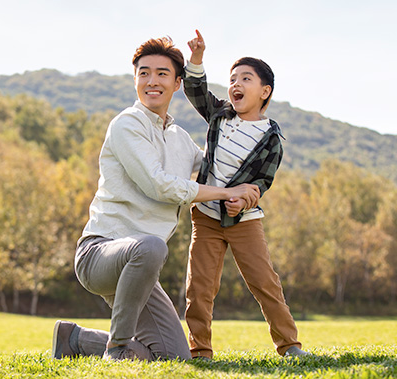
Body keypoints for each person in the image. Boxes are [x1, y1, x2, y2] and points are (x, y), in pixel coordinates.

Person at [51, 37, 260, 361]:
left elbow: (214, 164)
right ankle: (117, 349)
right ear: (135, 79)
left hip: (142, 267)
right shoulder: (126, 125)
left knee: (173, 357)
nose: (152, 81)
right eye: (144, 73)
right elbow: (160, 186)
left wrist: (255, 154)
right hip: (101, 253)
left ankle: (74, 339)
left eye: (162, 74)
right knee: (150, 246)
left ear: (177, 83)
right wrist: (225, 193)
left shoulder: (179, 137)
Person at [181, 30, 309, 359]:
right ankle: (200, 350)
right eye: (233, 78)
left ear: (265, 91)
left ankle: (290, 346)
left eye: (246, 79)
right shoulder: (220, 116)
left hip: (244, 222)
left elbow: (261, 182)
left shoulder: (271, 137)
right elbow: (195, 91)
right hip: (207, 218)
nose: (236, 84)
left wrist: (244, 200)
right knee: (200, 287)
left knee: (265, 283)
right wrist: (196, 59)